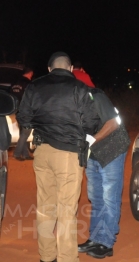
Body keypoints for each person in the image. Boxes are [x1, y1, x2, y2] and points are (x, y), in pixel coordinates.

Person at [17, 51, 100, 262]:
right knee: (66, 210)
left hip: (42, 153)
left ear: (49, 69)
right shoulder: (80, 89)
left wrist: (26, 139)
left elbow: (23, 116)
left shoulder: (34, 86)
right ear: (71, 69)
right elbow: (92, 123)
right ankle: (67, 258)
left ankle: (47, 257)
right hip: (69, 155)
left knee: (45, 207)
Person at [76, 84, 130, 258]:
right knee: (96, 198)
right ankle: (95, 238)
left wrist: (91, 141)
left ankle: (106, 243)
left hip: (112, 149)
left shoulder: (95, 96)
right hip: (94, 153)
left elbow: (113, 123)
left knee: (109, 197)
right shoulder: (72, 102)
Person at [11, 67, 34, 161]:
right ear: (29, 73)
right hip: (26, 111)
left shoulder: (14, 84)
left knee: (22, 133)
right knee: (26, 133)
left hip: (17, 111)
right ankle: (16, 153)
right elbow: (31, 98)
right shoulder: (28, 84)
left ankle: (25, 154)